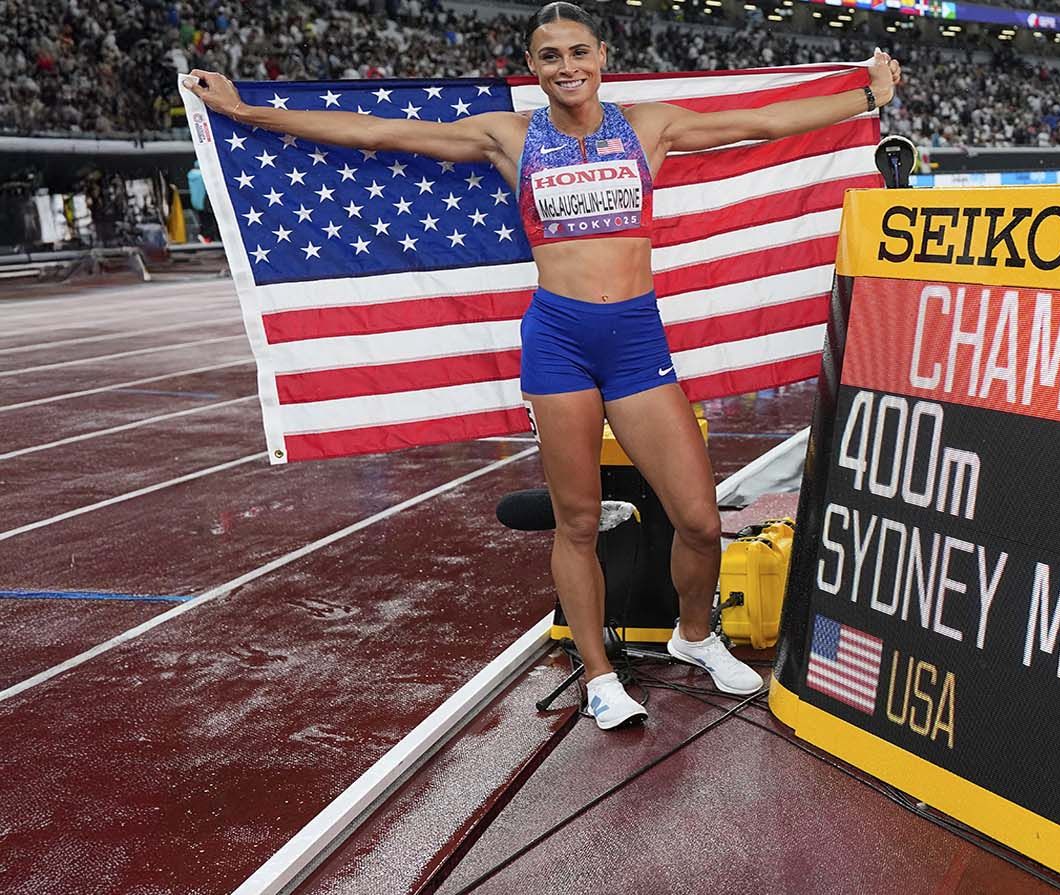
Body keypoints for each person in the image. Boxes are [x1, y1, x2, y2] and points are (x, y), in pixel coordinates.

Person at [184, 1, 903, 731]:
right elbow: (378, 131)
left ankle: (694, 635)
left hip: (636, 340)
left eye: (578, 52)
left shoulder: (648, 125)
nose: (567, 67)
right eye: (551, 56)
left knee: (699, 518)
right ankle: (599, 676)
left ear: (600, 57)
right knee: (580, 520)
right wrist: (249, 112)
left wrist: (867, 96)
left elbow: (763, 123)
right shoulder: (510, 135)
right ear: (534, 68)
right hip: (558, 341)